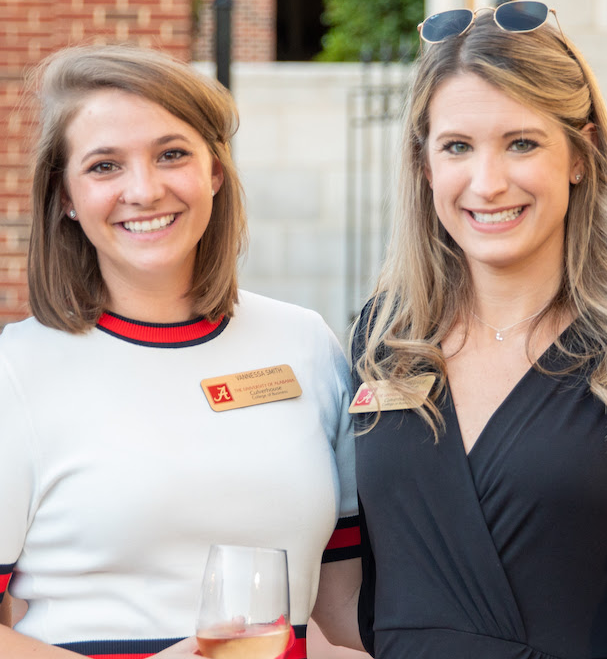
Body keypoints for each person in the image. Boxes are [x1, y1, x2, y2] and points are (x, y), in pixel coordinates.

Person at [343, 0, 607, 659]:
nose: (488, 182)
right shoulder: (382, 339)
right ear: (425, 166)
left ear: (580, 155)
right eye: (457, 147)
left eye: (522, 143)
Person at [0, 44, 362, 657]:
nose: (144, 189)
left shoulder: (306, 345)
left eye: (172, 155)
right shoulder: (16, 370)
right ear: (63, 195)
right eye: (104, 166)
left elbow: (346, 607)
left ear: (215, 172)